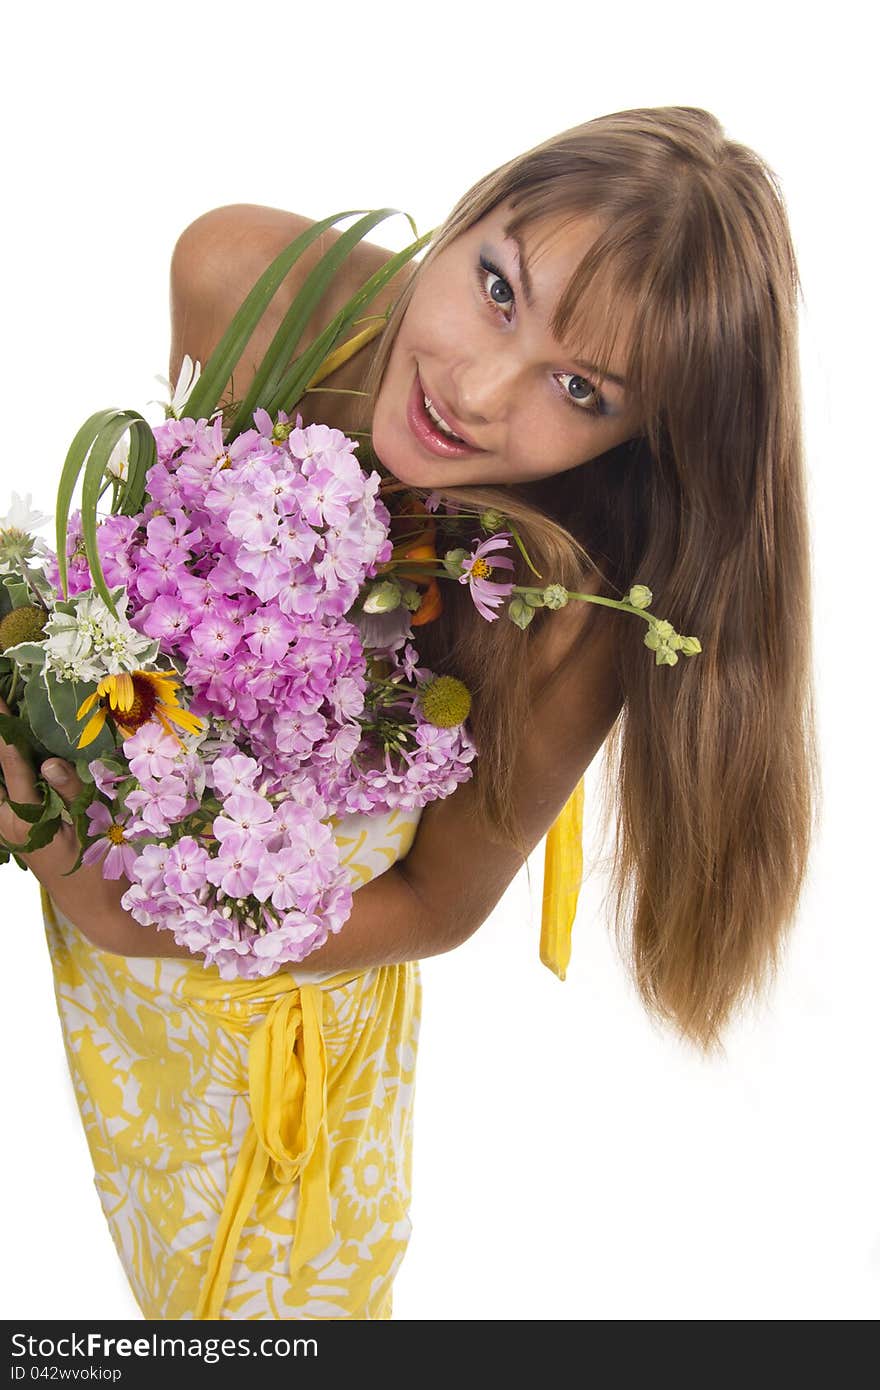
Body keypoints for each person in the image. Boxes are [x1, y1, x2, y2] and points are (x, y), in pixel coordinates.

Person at [0, 105, 819, 1319]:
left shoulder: (566, 613)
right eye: (497, 285)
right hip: (101, 973)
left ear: (639, 437)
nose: (478, 391)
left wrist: (110, 905)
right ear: (468, 210)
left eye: (581, 386)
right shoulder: (242, 283)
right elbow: (169, 572)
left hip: (286, 1057)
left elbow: (438, 904)